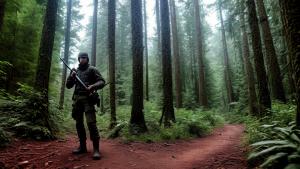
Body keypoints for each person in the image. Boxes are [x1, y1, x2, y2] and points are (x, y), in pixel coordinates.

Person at [66, 52, 105, 160]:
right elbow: (68, 86)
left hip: (88, 100)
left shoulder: (92, 69)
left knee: (91, 123)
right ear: (78, 59)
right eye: (80, 58)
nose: (82, 59)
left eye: (84, 58)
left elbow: (102, 81)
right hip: (77, 100)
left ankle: (96, 149)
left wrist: (93, 86)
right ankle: (82, 147)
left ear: (87, 59)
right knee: (79, 124)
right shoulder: (75, 71)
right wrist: (71, 76)